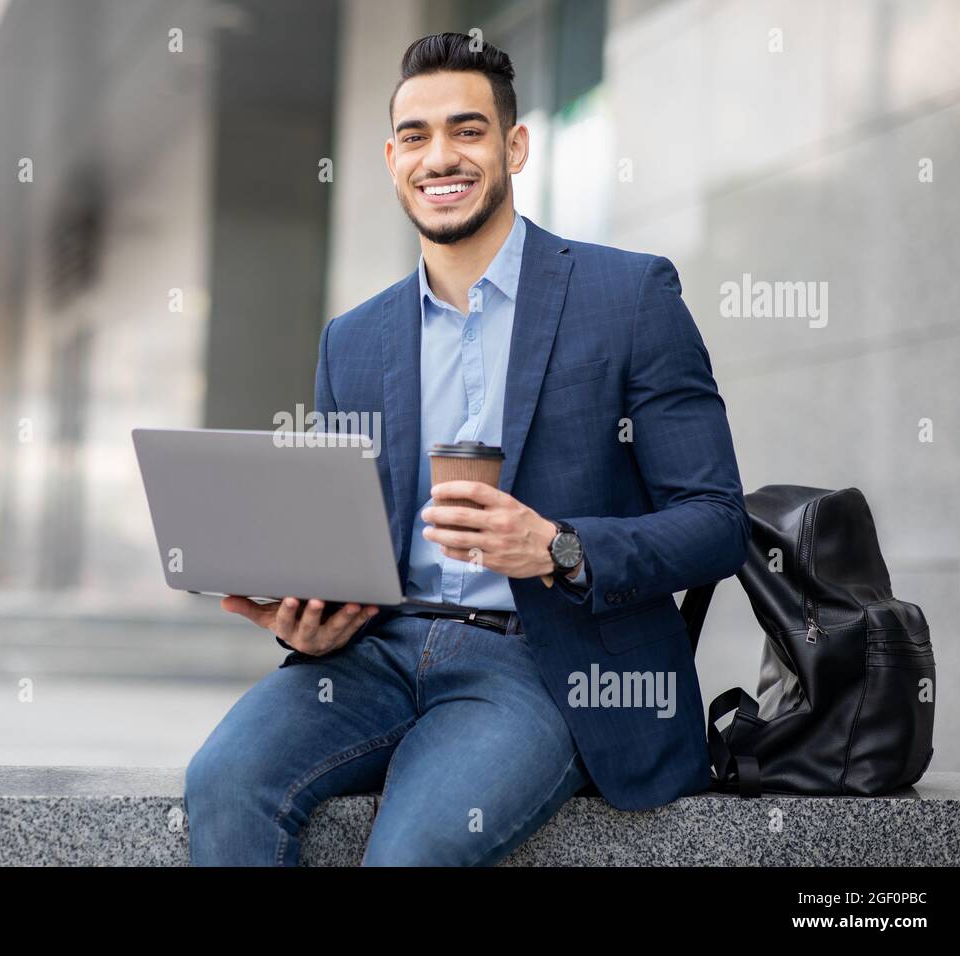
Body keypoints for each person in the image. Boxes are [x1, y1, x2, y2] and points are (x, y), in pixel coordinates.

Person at [184, 32, 749, 866]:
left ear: (515, 145)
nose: (439, 156)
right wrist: (307, 619)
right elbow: (343, 542)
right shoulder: (354, 339)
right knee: (223, 781)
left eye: (467, 130)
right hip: (373, 654)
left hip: (541, 662)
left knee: (411, 853)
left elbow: (717, 522)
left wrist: (557, 547)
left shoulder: (628, 295)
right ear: (390, 158)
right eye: (415, 136)